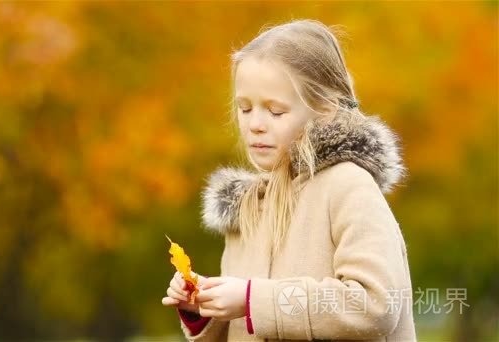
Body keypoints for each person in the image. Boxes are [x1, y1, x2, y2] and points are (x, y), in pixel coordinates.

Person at [161, 19, 417, 341]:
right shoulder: (248, 209)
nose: (255, 124)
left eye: (275, 111)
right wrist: (205, 307)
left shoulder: (349, 188)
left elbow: (375, 304)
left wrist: (253, 299)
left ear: (323, 108)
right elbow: (249, 323)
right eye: (245, 108)